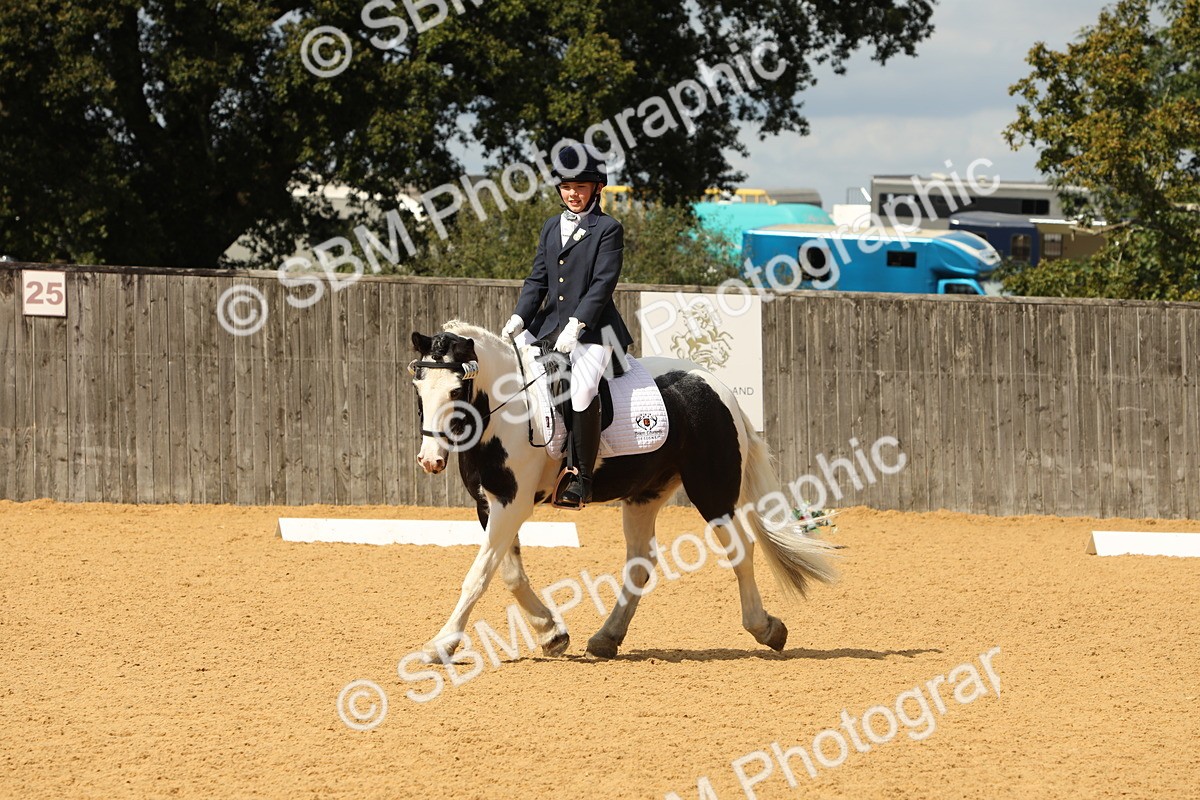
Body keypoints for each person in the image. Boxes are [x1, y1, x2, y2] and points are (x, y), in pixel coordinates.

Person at [501, 145, 634, 508]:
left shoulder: (608, 229)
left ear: (596, 188)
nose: (573, 194)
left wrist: (577, 325)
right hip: (549, 324)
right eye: (567, 187)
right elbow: (537, 279)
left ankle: (581, 478)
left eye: (581, 187)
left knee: (581, 388)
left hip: (594, 329)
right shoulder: (550, 226)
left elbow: (603, 283)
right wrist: (519, 317)